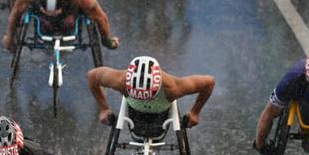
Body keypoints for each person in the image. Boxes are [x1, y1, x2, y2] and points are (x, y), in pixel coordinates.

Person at [2, 0, 119, 53]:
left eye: (54, 12)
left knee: (68, 22)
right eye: (48, 11)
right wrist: (10, 37)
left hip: (69, 12)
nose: (51, 15)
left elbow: (100, 17)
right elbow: (17, 10)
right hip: (43, 14)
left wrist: (107, 41)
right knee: (44, 22)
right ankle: (47, 24)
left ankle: (59, 25)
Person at [87, 56, 215, 128]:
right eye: (141, 97)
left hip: (161, 113)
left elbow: (209, 82)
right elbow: (92, 76)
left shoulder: (173, 88)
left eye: (148, 97)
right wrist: (104, 109)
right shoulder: (120, 80)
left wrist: (195, 112)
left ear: (159, 85)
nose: (144, 100)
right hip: (134, 110)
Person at [254, 47, 309, 155]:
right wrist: (261, 146)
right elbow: (268, 114)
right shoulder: (295, 77)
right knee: (308, 140)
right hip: (308, 106)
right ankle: (306, 132)